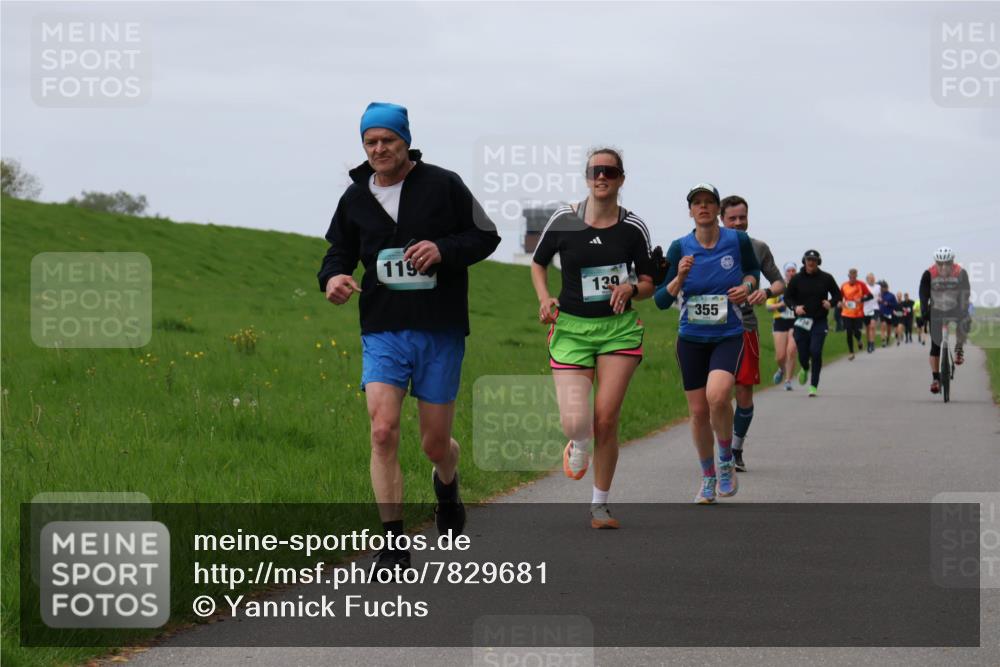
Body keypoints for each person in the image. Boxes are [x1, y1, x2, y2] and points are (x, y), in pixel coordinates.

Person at [317, 102, 501, 569]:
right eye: (370, 142)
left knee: (434, 444)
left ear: (406, 141)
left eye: (388, 141)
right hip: (382, 327)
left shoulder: (444, 184)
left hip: (438, 328)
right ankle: (393, 541)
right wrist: (333, 277)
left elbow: (486, 236)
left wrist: (443, 248)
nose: (379, 149)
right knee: (382, 432)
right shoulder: (355, 198)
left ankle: (448, 482)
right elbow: (338, 251)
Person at [531, 148, 661, 529]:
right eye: (594, 171)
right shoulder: (564, 219)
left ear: (621, 179)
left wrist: (632, 288)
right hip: (571, 329)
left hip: (617, 331)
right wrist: (545, 298)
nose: (601, 176)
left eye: (609, 171)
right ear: (586, 177)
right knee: (576, 422)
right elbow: (539, 263)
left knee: (606, 418)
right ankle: (577, 441)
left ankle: (599, 504)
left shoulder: (633, 227)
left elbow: (650, 282)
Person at [655, 183, 760, 504]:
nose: (703, 207)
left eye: (709, 202)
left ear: (717, 209)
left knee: (718, 396)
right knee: (698, 412)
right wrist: (680, 278)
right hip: (690, 339)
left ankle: (726, 458)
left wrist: (746, 285)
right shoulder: (679, 248)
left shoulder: (736, 240)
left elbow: (753, 271)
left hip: (728, 334)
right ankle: (708, 476)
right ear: (690, 211)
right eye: (697, 203)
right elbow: (661, 299)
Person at [719, 195, 784, 472]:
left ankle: (736, 448)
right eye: (732, 218)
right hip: (712, 328)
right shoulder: (707, 246)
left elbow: (779, 282)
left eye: (742, 217)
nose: (737, 223)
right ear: (721, 219)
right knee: (717, 395)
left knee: (744, 391)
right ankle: (721, 449)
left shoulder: (758, 248)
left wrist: (766, 292)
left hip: (745, 326)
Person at [783, 250, 840, 397]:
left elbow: (838, 294)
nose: (811, 262)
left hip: (819, 321)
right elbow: (787, 298)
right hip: (802, 321)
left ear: (818, 262)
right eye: (809, 259)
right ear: (804, 261)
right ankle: (804, 367)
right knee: (802, 354)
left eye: (814, 260)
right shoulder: (796, 279)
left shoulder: (826, 278)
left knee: (815, 351)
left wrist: (831, 303)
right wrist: (795, 307)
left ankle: (813, 386)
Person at [919, 246, 971, 394]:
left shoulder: (960, 273)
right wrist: (924, 310)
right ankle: (935, 379)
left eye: (947, 263)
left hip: (954, 306)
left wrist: (963, 308)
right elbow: (923, 294)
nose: (943, 266)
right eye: (940, 263)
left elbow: (965, 293)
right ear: (935, 262)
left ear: (952, 261)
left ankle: (959, 348)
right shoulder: (928, 274)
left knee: (965, 319)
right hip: (936, 309)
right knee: (935, 346)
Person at [766, 262, 798, 391]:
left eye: (793, 271)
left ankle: (788, 380)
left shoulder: (800, 286)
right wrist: (779, 305)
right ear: (785, 273)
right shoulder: (778, 287)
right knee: (780, 356)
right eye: (788, 271)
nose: (791, 273)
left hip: (795, 321)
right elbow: (768, 306)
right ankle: (781, 369)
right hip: (780, 321)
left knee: (791, 350)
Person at [839, 268, 873, 360]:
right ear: (849, 276)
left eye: (854, 276)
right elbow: (839, 297)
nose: (852, 278)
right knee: (849, 331)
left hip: (858, 313)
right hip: (846, 313)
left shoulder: (861, 285)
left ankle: (859, 339)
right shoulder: (844, 285)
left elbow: (870, 296)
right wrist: (839, 303)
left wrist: (861, 299)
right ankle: (851, 352)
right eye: (851, 276)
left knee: (857, 331)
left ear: (856, 276)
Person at [862, 272, 881, 353]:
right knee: (867, 328)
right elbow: (861, 296)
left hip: (875, 308)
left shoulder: (878, 286)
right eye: (870, 278)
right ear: (867, 279)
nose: (872, 279)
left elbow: (879, 295)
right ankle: (869, 343)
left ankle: (872, 343)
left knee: (872, 326)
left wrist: (880, 298)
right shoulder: (864, 286)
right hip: (866, 309)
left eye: (873, 278)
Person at [878, 282, 898, 347]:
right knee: (883, 326)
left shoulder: (891, 295)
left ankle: (887, 339)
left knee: (889, 328)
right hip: (882, 313)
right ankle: (883, 341)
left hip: (889, 313)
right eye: (882, 288)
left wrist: (888, 304)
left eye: (884, 288)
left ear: (887, 288)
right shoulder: (879, 295)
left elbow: (895, 305)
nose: (883, 289)